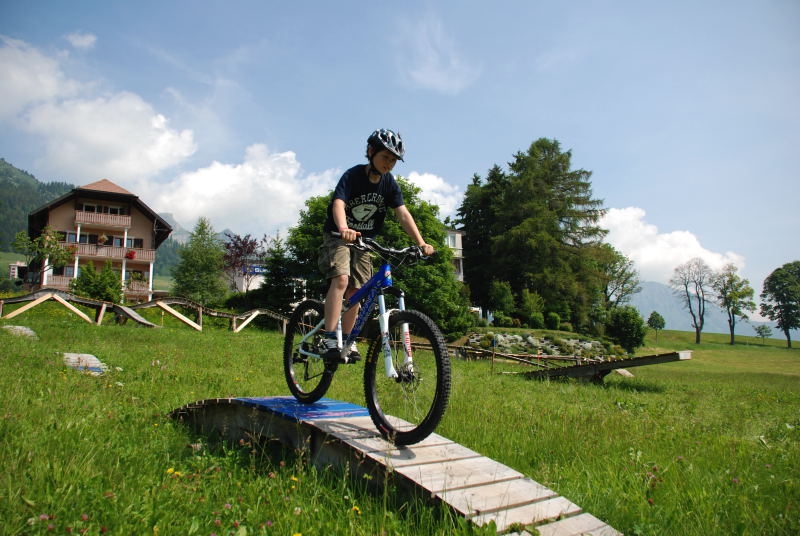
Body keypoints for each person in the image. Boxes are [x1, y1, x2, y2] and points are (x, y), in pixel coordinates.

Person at [318, 128, 435, 362]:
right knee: (341, 279)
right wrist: (343, 229)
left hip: (365, 242)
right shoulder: (352, 176)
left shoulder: (389, 184)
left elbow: (402, 214)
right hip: (338, 236)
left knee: (357, 291)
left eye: (393, 160)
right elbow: (338, 204)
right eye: (385, 157)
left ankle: (348, 342)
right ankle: (330, 337)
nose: (389, 163)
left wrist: (421, 243)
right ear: (371, 152)